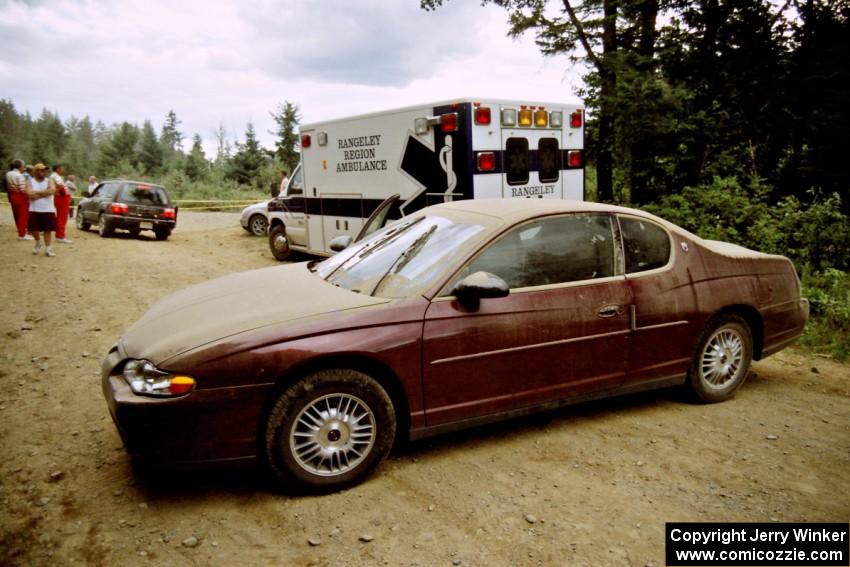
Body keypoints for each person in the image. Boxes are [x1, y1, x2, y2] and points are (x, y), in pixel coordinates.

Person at [26, 164, 57, 257]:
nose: (41, 172)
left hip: (48, 209)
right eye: (38, 170)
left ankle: (48, 249)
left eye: (43, 170)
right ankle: (38, 241)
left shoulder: (49, 180)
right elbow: (29, 194)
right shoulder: (30, 182)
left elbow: (52, 191)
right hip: (34, 209)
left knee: (48, 230)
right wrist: (45, 193)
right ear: (34, 171)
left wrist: (36, 193)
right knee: (32, 229)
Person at [6, 160, 33, 240]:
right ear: (20, 166)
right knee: (23, 216)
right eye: (23, 166)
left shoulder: (9, 173)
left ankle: (21, 232)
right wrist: (28, 198)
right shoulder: (19, 175)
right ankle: (22, 234)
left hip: (12, 194)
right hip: (20, 197)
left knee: (18, 215)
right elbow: (23, 189)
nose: (24, 168)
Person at [50, 164, 72, 243]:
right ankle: (60, 236)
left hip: (60, 197)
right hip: (62, 198)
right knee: (62, 217)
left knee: (61, 217)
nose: (63, 170)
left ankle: (60, 235)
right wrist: (64, 194)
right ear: (58, 169)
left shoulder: (54, 176)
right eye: (62, 168)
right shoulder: (56, 177)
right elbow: (61, 187)